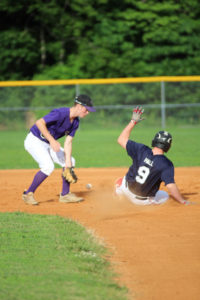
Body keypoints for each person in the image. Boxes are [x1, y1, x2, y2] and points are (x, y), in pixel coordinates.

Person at [22, 94, 96, 205]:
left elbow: (68, 142)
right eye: (87, 109)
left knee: (70, 161)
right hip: (34, 140)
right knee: (47, 166)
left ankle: (65, 195)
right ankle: (28, 194)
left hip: (48, 143)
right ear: (79, 106)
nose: (88, 112)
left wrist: (67, 164)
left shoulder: (75, 122)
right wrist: (52, 140)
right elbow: (39, 123)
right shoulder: (61, 113)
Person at [115, 106, 193, 205]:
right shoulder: (166, 164)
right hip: (140, 201)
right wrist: (183, 201)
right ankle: (142, 203)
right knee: (164, 195)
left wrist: (133, 122)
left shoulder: (141, 149)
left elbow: (121, 139)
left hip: (126, 189)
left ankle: (119, 191)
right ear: (168, 146)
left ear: (154, 141)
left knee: (123, 180)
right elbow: (170, 186)